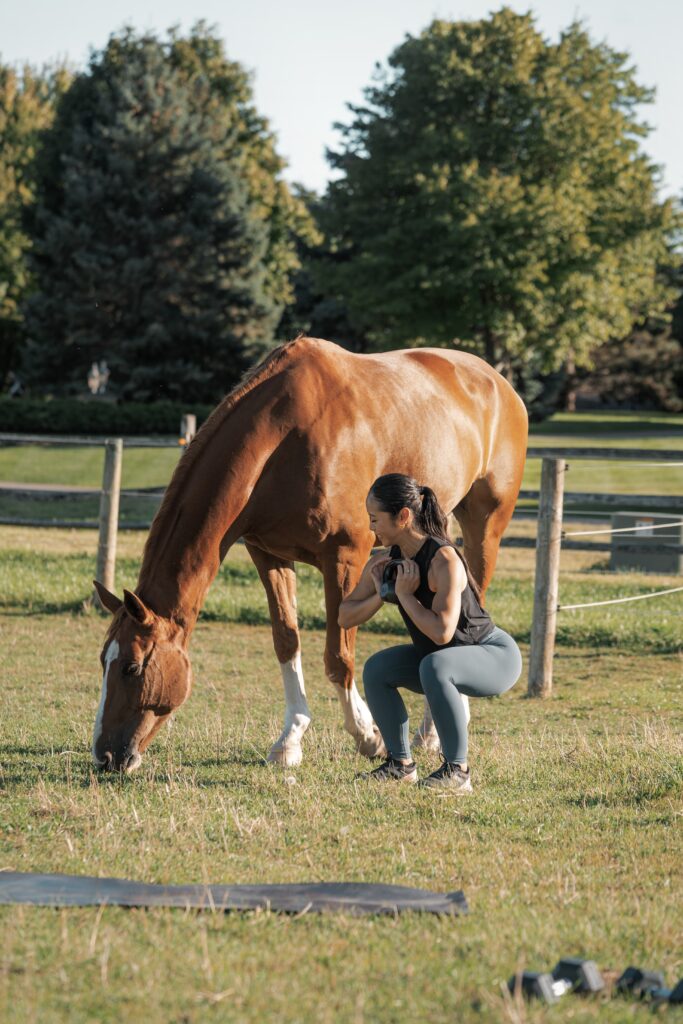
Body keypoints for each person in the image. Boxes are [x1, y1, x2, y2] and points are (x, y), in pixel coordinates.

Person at [338, 473, 522, 793]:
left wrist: (405, 595)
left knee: (435, 665)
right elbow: (345, 616)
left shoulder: (444, 560)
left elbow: (441, 633)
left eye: (375, 519)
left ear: (403, 516)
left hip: (494, 657)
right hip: (439, 661)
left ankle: (458, 771)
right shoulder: (386, 563)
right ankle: (401, 765)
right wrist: (382, 594)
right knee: (378, 669)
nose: (371, 527)